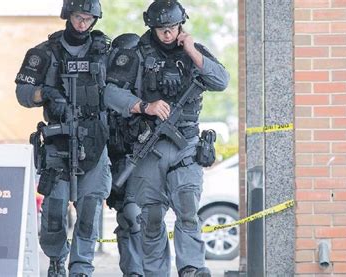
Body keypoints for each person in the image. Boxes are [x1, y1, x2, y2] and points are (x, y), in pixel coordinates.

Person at [103, 0, 229, 276]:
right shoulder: (135, 54)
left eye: (172, 27)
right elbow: (110, 94)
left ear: (181, 25)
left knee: (187, 210)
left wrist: (193, 51)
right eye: (162, 29)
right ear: (152, 27)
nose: (168, 33)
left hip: (186, 145)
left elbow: (221, 81)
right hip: (149, 148)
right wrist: (144, 106)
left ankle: (192, 268)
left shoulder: (192, 51)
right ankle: (156, 272)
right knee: (151, 218)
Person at [15, 0, 111, 276]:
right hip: (58, 139)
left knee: (90, 209)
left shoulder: (105, 51)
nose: (83, 23)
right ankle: (56, 259)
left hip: (94, 139)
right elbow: (23, 95)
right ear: (68, 16)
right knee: (54, 211)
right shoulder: (44, 53)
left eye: (89, 18)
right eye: (79, 17)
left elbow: (123, 88)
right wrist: (46, 94)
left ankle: (81, 267)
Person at [106, 33, 144, 277]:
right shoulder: (109, 88)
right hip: (114, 163)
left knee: (135, 217)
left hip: (139, 163)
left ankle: (140, 271)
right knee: (125, 219)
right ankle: (132, 271)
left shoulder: (145, 91)